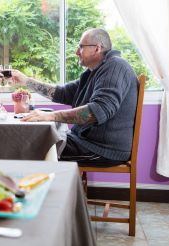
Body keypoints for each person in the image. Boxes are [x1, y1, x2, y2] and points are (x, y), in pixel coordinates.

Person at [12, 28, 139, 166]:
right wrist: (26, 80)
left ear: (97, 48)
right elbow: (62, 93)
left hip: (102, 149)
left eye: (81, 47)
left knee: (32, 143)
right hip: (86, 142)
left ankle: (34, 186)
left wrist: (51, 116)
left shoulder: (115, 67)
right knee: (35, 138)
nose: (77, 52)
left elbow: (98, 111)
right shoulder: (95, 72)